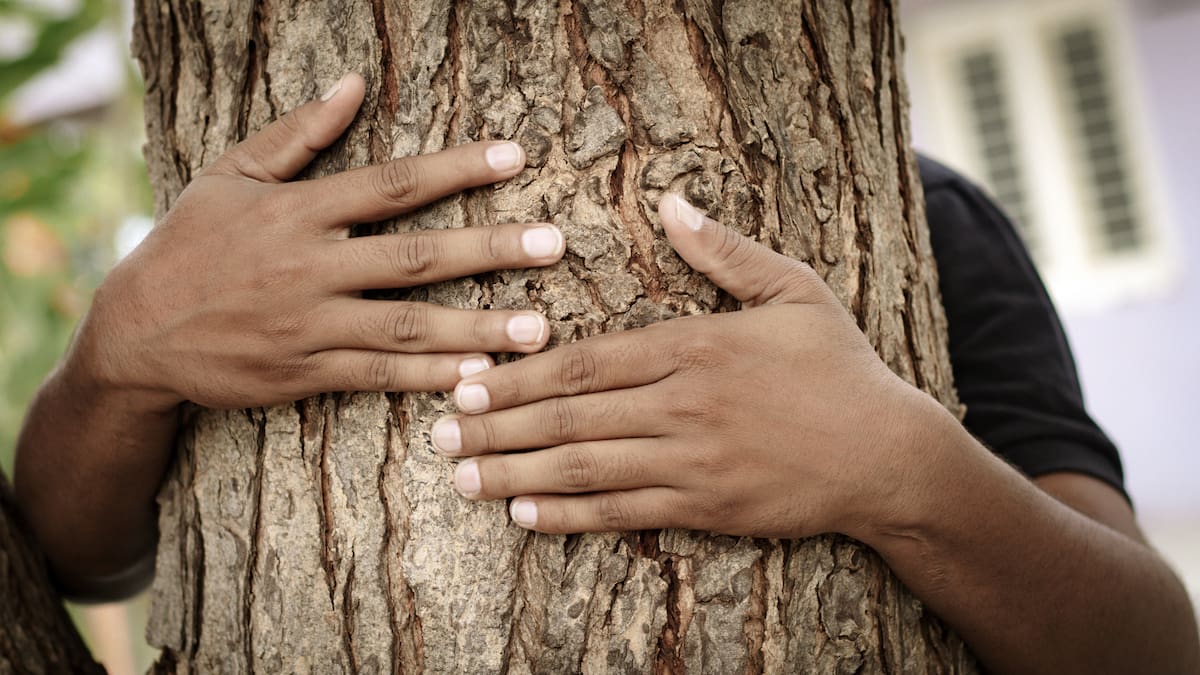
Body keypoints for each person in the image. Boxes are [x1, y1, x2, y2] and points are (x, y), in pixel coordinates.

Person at [13, 73, 1199, 673]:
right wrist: (118, 358)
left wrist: (900, 468)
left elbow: (1150, 651)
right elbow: (81, 559)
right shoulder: (245, 211)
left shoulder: (925, 218)